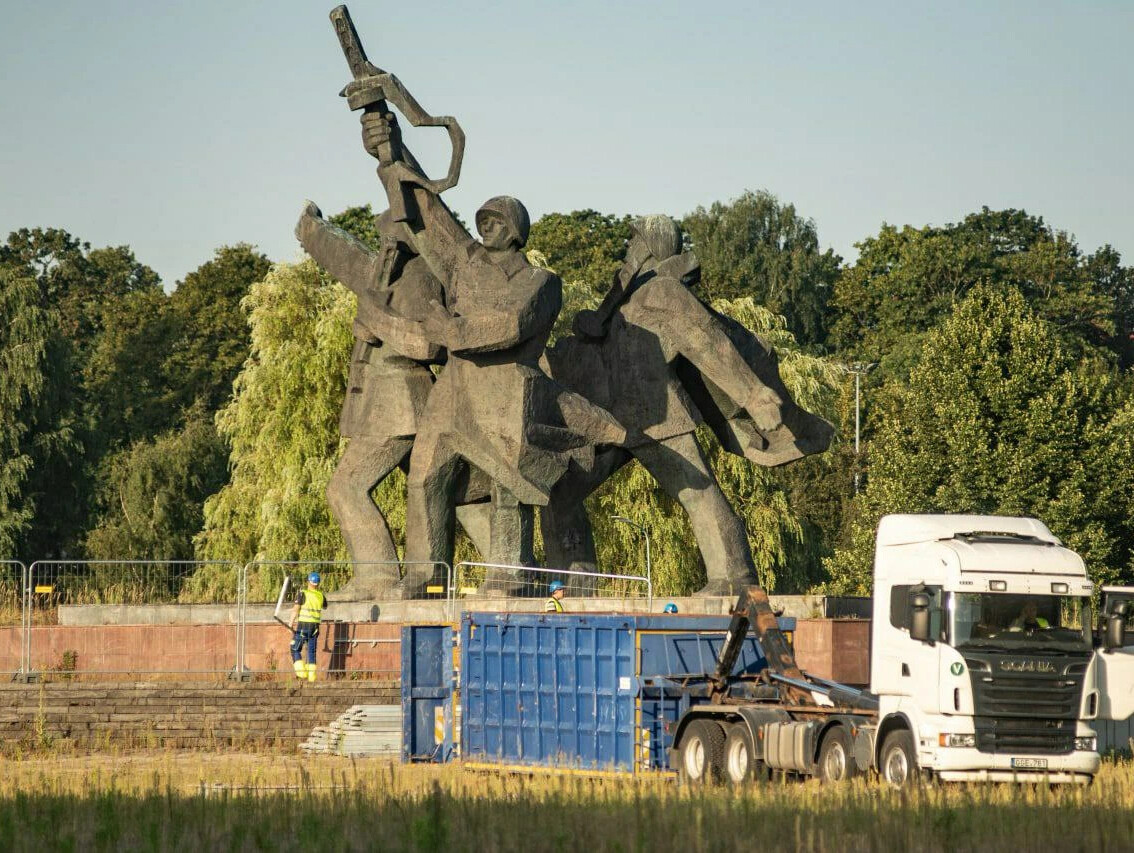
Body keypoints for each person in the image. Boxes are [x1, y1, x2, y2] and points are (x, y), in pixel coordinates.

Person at [289, 573, 326, 681]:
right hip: (315, 628)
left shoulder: (302, 593)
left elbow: (296, 609)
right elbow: (325, 606)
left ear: (308, 582)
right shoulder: (320, 595)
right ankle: (311, 677)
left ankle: (301, 673)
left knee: (294, 648)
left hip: (303, 626)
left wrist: (290, 623)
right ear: (318, 583)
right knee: (311, 652)